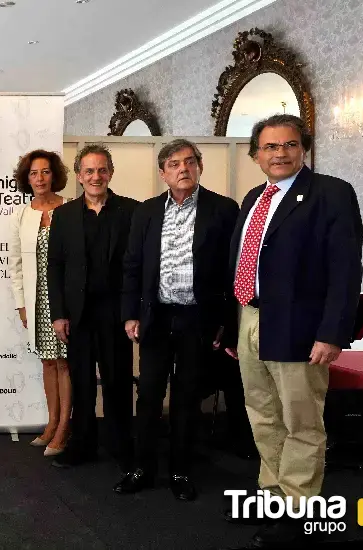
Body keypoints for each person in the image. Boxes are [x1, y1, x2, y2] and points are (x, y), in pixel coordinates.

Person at [222, 114, 362, 547]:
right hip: (250, 318)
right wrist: (233, 329)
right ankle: (272, 495)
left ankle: (301, 506)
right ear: (256, 155)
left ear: (303, 149)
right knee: (262, 413)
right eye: (269, 147)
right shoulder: (252, 197)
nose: (279, 153)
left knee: (300, 419)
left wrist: (332, 333)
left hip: (300, 327)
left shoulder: (331, 193)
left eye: (288, 145)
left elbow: (344, 270)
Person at [118, 139, 239, 500]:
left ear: (200, 166)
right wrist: (130, 314)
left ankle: (180, 471)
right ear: (162, 173)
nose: (182, 169)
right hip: (156, 316)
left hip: (196, 319)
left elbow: (231, 271)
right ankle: (141, 468)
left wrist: (224, 321)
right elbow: (132, 266)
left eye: (189, 162)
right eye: (174, 164)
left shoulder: (223, 209)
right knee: (150, 395)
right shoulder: (147, 212)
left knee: (187, 397)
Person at [47, 144, 137, 472]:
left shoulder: (131, 211)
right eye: (89, 171)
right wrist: (58, 313)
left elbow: (137, 266)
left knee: (117, 381)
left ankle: (121, 446)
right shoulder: (65, 215)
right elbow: (54, 266)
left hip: (117, 314)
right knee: (82, 383)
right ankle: (82, 445)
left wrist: (134, 312)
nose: (96, 176)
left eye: (101, 170)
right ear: (79, 176)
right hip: (78, 315)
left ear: (110, 173)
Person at [9, 149, 70, 457]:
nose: (40, 178)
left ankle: (64, 428)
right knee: (48, 361)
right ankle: (52, 422)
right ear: (27, 178)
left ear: (54, 175)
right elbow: (16, 264)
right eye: (34, 173)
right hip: (36, 299)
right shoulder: (23, 214)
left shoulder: (71, 209)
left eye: (45, 172)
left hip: (66, 300)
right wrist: (21, 304)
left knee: (65, 362)